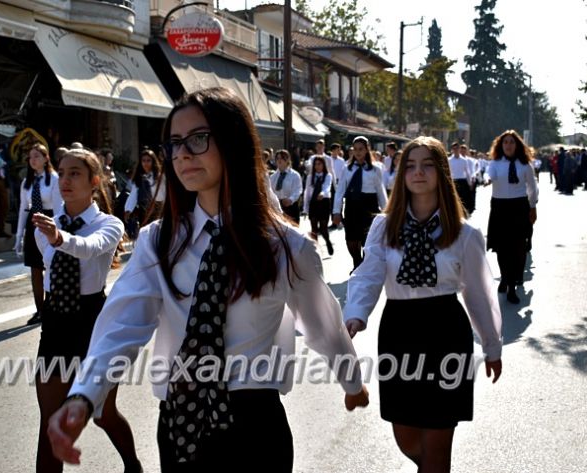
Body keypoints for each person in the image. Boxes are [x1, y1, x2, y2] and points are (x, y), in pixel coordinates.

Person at [46, 87, 369, 472]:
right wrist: (83, 396)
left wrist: (352, 383)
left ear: (233, 142)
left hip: (255, 426)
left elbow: (323, 326)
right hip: (182, 423)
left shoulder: (286, 247)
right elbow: (121, 325)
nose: (182, 154)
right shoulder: (157, 242)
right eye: (174, 143)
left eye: (198, 139)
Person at [344, 136, 503, 473]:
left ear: (442, 173)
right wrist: (355, 315)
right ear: (401, 175)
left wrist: (492, 346)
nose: (418, 172)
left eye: (428, 165)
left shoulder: (464, 233)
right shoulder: (383, 227)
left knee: (437, 442)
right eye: (410, 166)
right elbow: (368, 274)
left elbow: (479, 293)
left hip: (446, 331)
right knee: (407, 436)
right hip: (399, 331)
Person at [31, 148, 142, 473]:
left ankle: (132, 465)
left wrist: (58, 237)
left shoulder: (109, 224)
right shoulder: (44, 228)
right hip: (56, 326)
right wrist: (53, 234)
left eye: (75, 173)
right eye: (62, 172)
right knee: (50, 421)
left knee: (102, 413)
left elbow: (88, 248)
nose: (65, 180)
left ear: (95, 181)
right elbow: (45, 270)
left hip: (93, 324)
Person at [483, 130, 538, 304]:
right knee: (501, 248)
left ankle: (512, 287)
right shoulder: (495, 163)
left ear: (517, 145)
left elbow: (532, 186)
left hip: (519, 208)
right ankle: (505, 277)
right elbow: (488, 173)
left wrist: (533, 205)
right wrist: (486, 179)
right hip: (500, 208)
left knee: (517, 248)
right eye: (505, 142)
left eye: (511, 142)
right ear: (501, 145)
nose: (508, 145)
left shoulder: (524, 165)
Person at [15, 144, 63, 326]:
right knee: (35, 269)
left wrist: (58, 233)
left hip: (49, 221)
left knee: (51, 266)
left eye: (36, 156)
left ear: (46, 158)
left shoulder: (54, 179)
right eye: (30, 157)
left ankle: (53, 306)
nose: (33, 160)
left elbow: (58, 209)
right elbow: (22, 209)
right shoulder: (26, 183)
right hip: (33, 223)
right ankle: (40, 310)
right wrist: (19, 235)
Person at [332, 136, 387, 272]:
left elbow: (381, 192)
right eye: (355, 149)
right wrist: (336, 211)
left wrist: (387, 212)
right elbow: (339, 192)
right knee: (351, 239)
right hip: (352, 207)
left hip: (369, 207)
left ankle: (364, 265)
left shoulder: (375, 169)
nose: (358, 152)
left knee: (367, 240)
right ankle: (357, 262)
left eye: (361, 149)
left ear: (367, 150)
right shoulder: (347, 169)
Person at [124, 147, 165, 236]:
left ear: (153, 162)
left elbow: (163, 195)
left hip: (158, 210)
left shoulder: (159, 176)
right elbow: (134, 194)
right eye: (144, 160)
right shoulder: (139, 177)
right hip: (143, 211)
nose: (146, 163)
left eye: (148, 160)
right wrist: (128, 209)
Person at [303, 155, 334, 255]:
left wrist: (323, 194)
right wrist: (305, 207)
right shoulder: (310, 177)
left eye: (319, 164)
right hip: (314, 203)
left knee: (323, 228)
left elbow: (327, 187)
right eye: (315, 164)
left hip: (324, 202)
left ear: (323, 165)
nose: (317, 166)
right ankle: (316, 249)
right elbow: (307, 192)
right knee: (314, 228)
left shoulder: (328, 176)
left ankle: (328, 242)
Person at [269, 149, 303, 224]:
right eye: (277, 158)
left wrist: (290, 199)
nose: (279, 160)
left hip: (291, 206)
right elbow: (270, 191)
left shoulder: (294, 175)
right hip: (277, 206)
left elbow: (298, 190)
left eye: (282, 158)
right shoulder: (273, 177)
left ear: (287, 160)